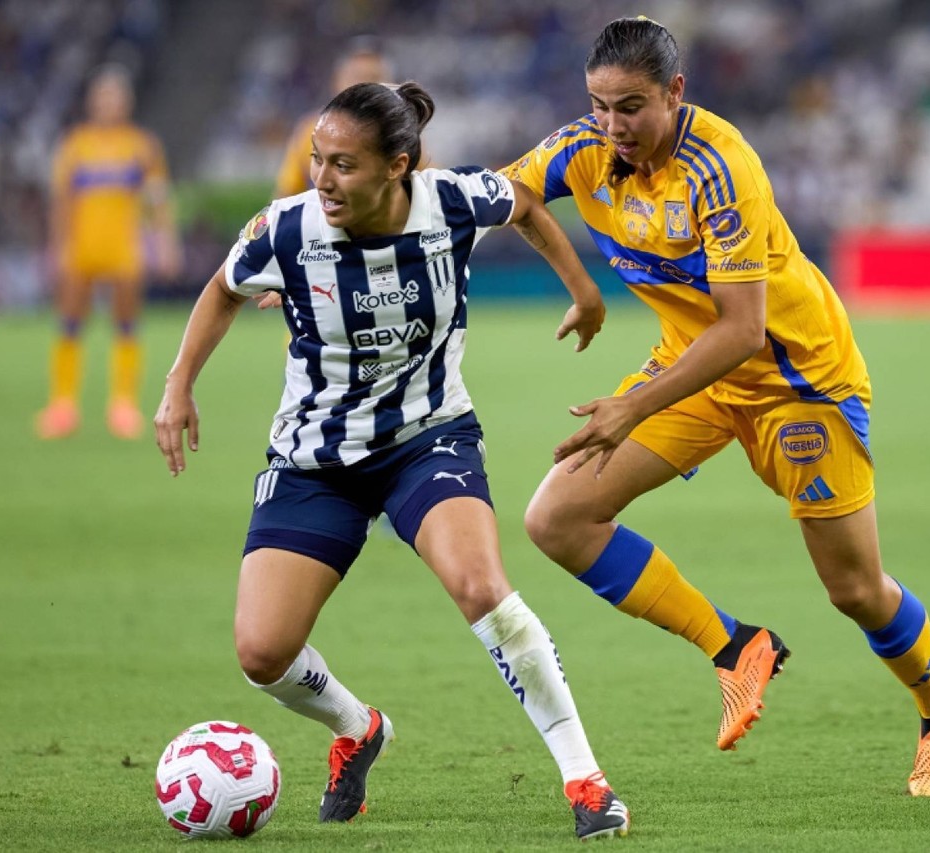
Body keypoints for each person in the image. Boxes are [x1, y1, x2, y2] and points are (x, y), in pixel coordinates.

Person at [153, 81, 630, 839]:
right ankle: (358, 725)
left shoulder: (454, 200)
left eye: (343, 164)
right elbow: (221, 288)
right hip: (314, 458)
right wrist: (179, 386)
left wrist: (585, 292)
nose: (322, 179)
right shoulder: (286, 229)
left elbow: (530, 205)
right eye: (317, 160)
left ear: (396, 166)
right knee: (262, 651)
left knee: (483, 586)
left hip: (427, 437)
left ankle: (586, 778)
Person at [504, 17, 930, 796]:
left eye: (632, 107)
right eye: (600, 105)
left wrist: (629, 407)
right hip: (693, 371)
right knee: (557, 518)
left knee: (854, 589)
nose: (613, 126)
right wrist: (582, 287)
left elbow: (744, 330)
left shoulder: (720, 165)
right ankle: (734, 646)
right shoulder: (585, 146)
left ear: (676, 93)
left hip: (798, 382)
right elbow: (509, 194)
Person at [37, 63, 181, 440]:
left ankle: (122, 405)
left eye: (116, 96)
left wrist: (165, 244)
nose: (109, 103)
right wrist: (57, 248)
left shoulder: (142, 147)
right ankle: (63, 405)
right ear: (91, 101)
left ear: (127, 102)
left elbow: (157, 200)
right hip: (81, 248)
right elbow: (61, 202)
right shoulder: (75, 145)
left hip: (124, 248)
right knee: (70, 321)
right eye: (103, 96)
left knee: (126, 322)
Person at [274, 36, 392, 198]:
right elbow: (286, 196)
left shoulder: (400, 134)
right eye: (357, 77)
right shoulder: (310, 130)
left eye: (374, 78)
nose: (364, 86)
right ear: (337, 81)